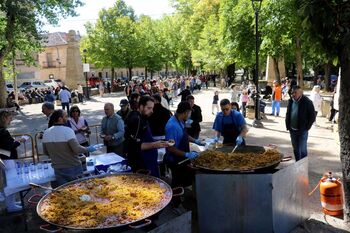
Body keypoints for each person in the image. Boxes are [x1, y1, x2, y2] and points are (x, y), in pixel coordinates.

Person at [42, 110, 96, 186]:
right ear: (60, 119)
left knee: (64, 193)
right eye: (66, 116)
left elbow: (46, 152)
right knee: (77, 191)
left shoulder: (46, 133)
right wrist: (88, 149)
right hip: (73, 167)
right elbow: (76, 149)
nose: (67, 118)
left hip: (58, 169)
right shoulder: (68, 131)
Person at [124, 96, 169, 177]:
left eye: (152, 108)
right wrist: (155, 144)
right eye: (149, 108)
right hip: (143, 166)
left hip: (150, 162)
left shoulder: (143, 117)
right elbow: (135, 146)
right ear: (141, 106)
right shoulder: (136, 120)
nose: (152, 111)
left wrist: (158, 143)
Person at [165, 101, 205, 188]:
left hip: (182, 157)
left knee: (184, 181)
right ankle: (176, 200)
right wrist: (187, 154)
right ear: (186, 112)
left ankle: (183, 195)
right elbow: (170, 148)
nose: (190, 114)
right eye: (190, 112)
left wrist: (196, 141)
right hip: (175, 160)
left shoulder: (181, 121)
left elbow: (185, 135)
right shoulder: (172, 126)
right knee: (177, 182)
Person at [0, 110, 27, 212]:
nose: (11, 120)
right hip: (7, 158)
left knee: (8, 182)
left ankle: (11, 203)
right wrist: (20, 141)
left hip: (4, 157)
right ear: (4, 119)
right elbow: (10, 147)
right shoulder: (3, 131)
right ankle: (11, 206)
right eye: (9, 118)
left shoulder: (2, 131)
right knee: (11, 182)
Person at [285, 86, 316, 161]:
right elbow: (288, 113)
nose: (293, 94)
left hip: (302, 130)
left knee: (302, 150)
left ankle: (303, 166)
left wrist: (307, 127)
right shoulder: (290, 101)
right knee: (295, 149)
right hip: (292, 129)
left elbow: (312, 116)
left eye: (295, 92)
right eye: (292, 92)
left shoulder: (307, 102)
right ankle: (297, 163)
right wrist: (288, 125)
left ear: (300, 93)